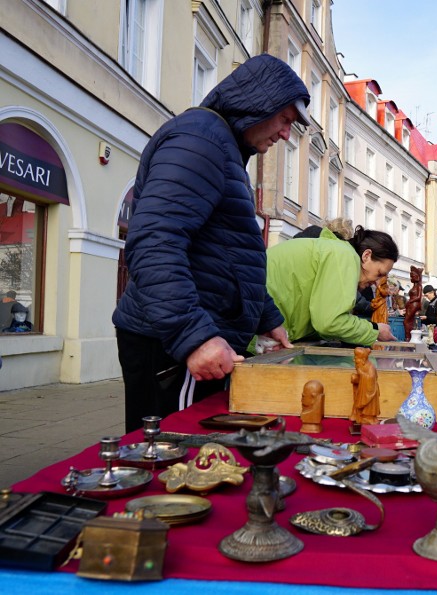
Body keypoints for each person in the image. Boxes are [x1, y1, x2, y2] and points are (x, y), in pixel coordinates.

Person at [113, 54, 301, 433]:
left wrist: (267, 318)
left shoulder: (220, 147)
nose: (285, 134)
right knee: (172, 453)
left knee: (187, 458)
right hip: (170, 340)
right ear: (258, 103)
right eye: (285, 119)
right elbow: (154, 242)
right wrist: (193, 337)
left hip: (184, 333)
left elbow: (227, 257)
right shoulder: (201, 139)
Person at [266, 226, 399, 345]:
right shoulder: (344, 256)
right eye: (379, 273)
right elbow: (329, 322)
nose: (377, 282)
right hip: (259, 326)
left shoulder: (335, 250)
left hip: (261, 323)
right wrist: (375, 330)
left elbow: (322, 319)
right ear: (366, 256)